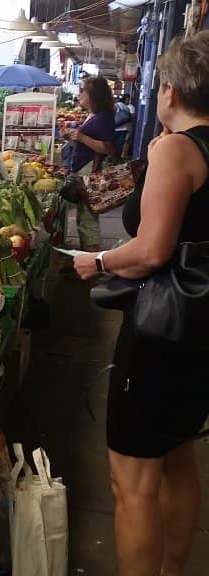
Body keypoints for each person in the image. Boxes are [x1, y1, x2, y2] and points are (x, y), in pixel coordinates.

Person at [73, 30, 209, 576]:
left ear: (171, 90)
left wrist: (99, 262)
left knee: (131, 482)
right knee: (177, 458)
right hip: (199, 330)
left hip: (163, 335)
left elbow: (151, 251)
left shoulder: (178, 150)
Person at [62, 76, 116, 252]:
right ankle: (86, 256)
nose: (79, 95)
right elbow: (84, 145)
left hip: (91, 170)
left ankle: (91, 260)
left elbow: (107, 148)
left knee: (88, 219)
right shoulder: (93, 115)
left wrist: (82, 137)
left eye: (82, 91)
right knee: (83, 218)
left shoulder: (104, 117)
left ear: (93, 95)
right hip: (83, 168)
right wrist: (71, 139)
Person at [114, 94, 134, 161]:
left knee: (114, 144)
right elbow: (130, 117)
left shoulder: (115, 106)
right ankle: (118, 158)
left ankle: (114, 158)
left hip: (116, 128)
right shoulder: (126, 107)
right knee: (120, 144)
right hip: (124, 128)